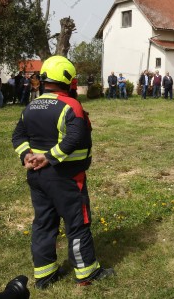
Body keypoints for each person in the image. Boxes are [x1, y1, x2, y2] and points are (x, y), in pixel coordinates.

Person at [11, 56, 114, 289]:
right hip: (66, 178)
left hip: (36, 177)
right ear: (68, 79)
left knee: (44, 223)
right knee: (77, 223)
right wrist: (49, 157)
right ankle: (86, 273)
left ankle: (44, 275)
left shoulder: (31, 106)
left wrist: (26, 154)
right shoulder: (71, 105)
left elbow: (17, 136)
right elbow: (75, 137)